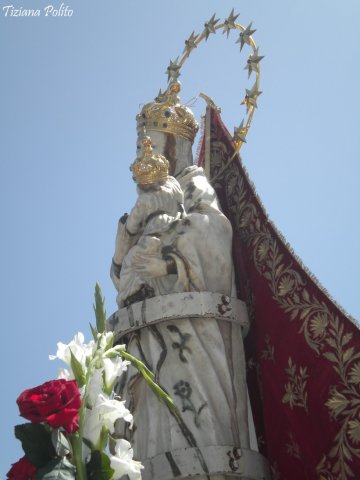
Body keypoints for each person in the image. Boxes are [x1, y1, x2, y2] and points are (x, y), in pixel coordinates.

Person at [111, 81, 263, 480]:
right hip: (144, 333)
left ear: (174, 148)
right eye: (141, 145)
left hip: (191, 330)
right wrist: (127, 237)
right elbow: (122, 273)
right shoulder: (142, 205)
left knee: (198, 429)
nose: (145, 154)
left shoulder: (193, 184)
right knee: (150, 437)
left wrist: (166, 262)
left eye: (153, 144)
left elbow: (213, 231)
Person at [111, 134, 184, 308]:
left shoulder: (144, 201)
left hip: (154, 232)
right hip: (174, 224)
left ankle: (132, 294)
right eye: (138, 148)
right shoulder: (174, 184)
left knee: (132, 260)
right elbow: (180, 201)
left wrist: (126, 230)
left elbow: (131, 225)